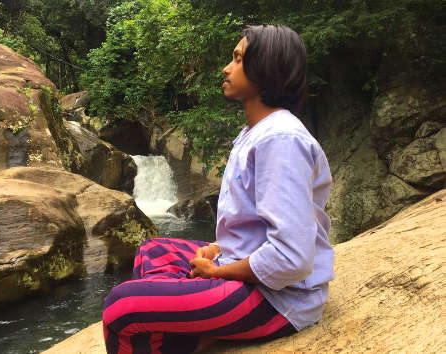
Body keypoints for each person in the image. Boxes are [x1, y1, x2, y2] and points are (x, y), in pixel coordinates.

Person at [102, 24, 334, 354]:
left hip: (279, 298)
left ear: (266, 69)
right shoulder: (256, 131)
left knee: (119, 308)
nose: (227, 68)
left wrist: (219, 271)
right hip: (248, 272)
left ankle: (184, 332)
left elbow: (291, 258)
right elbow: (254, 221)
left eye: (238, 60)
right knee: (153, 250)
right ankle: (188, 332)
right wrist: (216, 247)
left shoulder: (281, 140)